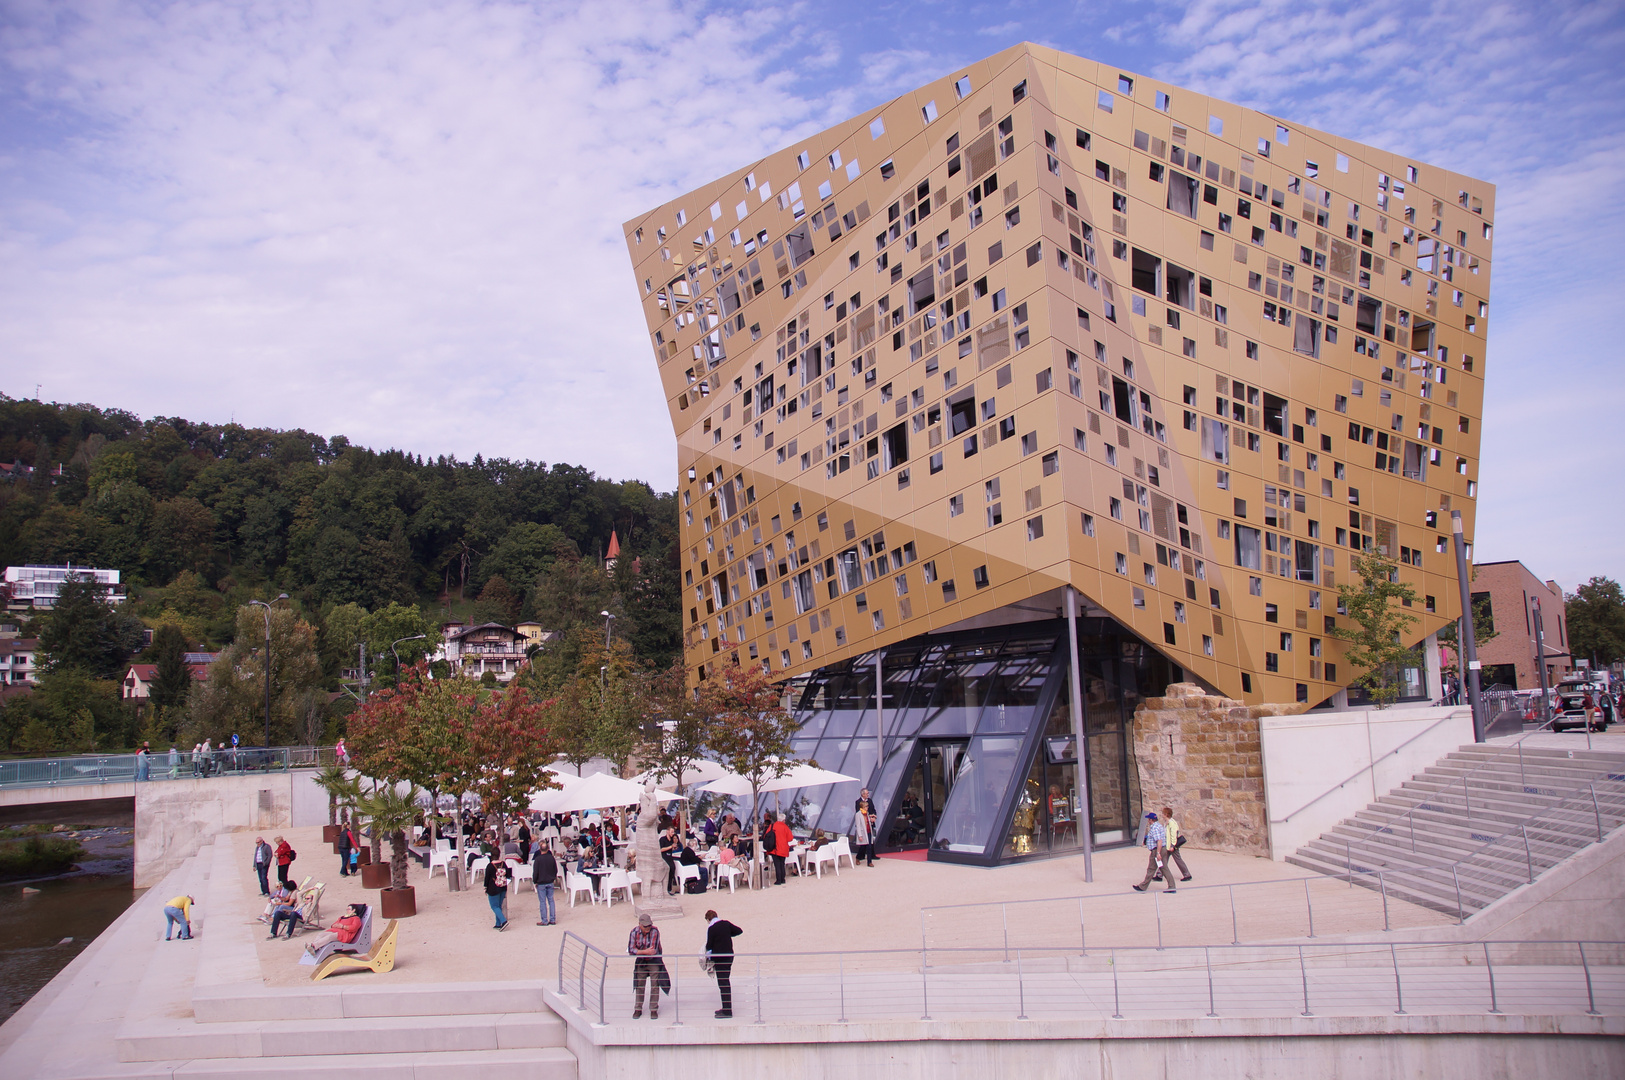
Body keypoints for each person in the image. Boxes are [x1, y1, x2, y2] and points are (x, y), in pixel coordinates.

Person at [704, 908, 743, 1018]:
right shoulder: (726, 924)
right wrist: (727, 935)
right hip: (729, 956)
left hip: (720, 958)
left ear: (708, 919)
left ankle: (727, 1011)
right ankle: (726, 1008)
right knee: (725, 981)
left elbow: (709, 945)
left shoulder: (711, 928)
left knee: (723, 984)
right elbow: (739, 931)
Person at [628, 913, 663, 1019]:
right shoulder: (634, 932)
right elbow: (630, 949)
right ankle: (638, 1008)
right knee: (639, 985)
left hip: (654, 961)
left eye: (649, 926)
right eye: (645, 926)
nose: (648, 928)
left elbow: (653, 950)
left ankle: (653, 1009)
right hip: (641, 961)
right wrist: (644, 952)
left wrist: (639, 951)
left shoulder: (655, 931)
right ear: (640, 924)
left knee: (655, 985)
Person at [1132, 811, 1175, 893]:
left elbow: (1159, 841)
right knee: (1163, 868)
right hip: (1160, 849)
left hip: (1157, 850)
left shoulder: (1154, 828)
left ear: (1151, 820)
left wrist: (1158, 853)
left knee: (1151, 869)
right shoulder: (1159, 825)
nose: (1148, 820)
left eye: (1149, 819)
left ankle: (1143, 887)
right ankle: (1172, 886)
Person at [1161, 806, 1192, 882]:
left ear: (1166, 814)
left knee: (1177, 860)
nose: (1162, 815)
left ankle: (1187, 874)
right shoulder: (1168, 823)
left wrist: (1172, 845)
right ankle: (1159, 874)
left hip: (1171, 846)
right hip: (1168, 845)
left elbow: (1173, 835)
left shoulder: (1171, 823)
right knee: (1164, 860)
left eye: (1163, 813)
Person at [533, 841, 559, 925]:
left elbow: (535, 872)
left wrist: (535, 881)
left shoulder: (538, 859)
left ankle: (544, 920)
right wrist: (553, 877)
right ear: (548, 849)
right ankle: (552, 919)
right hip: (550, 881)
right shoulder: (551, 858)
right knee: (551, 900)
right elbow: (555, 869)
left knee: (542, 901)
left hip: (541, 882)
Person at [484, 853, 510, 931]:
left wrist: (485, 887)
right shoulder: (503, 864)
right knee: (499, 905)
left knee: (494, 906)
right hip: (503, 887)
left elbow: (487, 878)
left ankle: (503, 920)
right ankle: (498, 923)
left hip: (493, 888)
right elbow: (508, 874)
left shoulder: (490, 866)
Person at [766, 813, 793, 885]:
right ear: (783, 820)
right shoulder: (785, 827)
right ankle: (782, 879)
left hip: (774, 848)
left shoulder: (772, 826)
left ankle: (778, 880)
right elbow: (790, 838)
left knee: (777, 864)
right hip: (783, 848)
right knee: (782, 863)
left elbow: (766, 835)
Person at [853, 789, 878, 866]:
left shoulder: (867, 811)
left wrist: (873, 817)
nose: (868, 794)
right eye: (866, 793)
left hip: (868, 829)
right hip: (863, 830)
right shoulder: (859, 811)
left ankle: (869, 861)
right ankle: (858, 857)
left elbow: (873, 811)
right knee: (863, 846)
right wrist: (860, 835)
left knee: (869, 845)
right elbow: (858, 824)